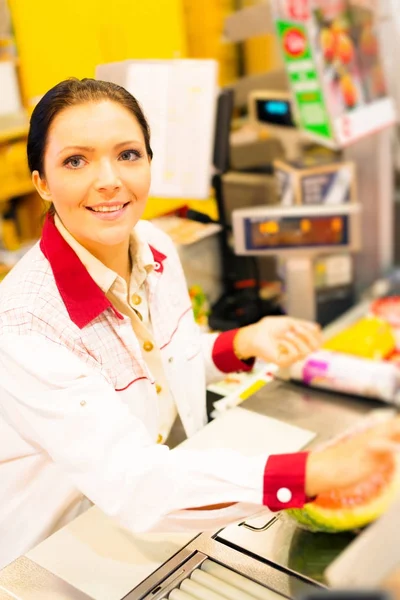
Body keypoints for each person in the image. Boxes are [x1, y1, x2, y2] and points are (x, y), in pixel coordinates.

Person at [0, 77, 399, 570]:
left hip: (145, 529)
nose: (109, 180)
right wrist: (314, 472)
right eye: (75, 161)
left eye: (127, 154)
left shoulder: (155, 248)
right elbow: (135, 483)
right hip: (51, 554)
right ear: (41, 180)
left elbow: (162, 360)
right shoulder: (25, 322)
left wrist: (243, 342)